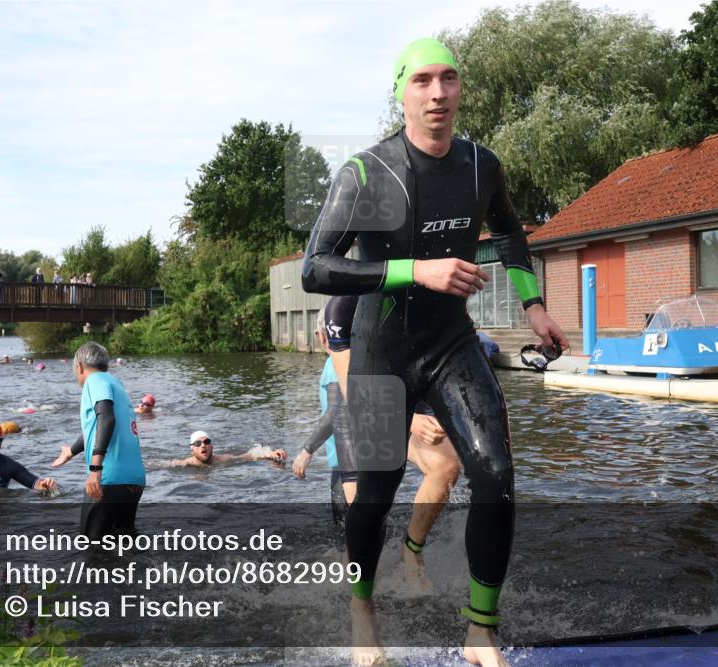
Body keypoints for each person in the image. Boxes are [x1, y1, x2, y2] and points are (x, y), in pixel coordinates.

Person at [301, 38, 569, 666]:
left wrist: (533, 305)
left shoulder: (482, 167)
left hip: (449, 343)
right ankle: (362, 609)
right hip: (378, 349)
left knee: (496, 476)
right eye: (422, 80)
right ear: (401, 92)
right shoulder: (366, 173)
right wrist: (411, 271)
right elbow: (316, 268)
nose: (438, 93)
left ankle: (480, 632)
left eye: (448, 79)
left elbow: (507, 231)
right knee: (376, 488)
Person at [292, 297, 460, 592]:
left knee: (358, 545)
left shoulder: (349, 364)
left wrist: (306, 451)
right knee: (359, 547)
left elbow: (346, 411)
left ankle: (380, 579)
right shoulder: (347, 364)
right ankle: (363, 592)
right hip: (355, 458)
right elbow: (341, 414)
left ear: (321, 337)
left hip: (364, 451)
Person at [50, 342, 145, 539]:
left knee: (93, 548)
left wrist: (95, 469)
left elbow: (106, 418)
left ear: (80, 367)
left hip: (109, 478)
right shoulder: (115, 383)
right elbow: (98, 426)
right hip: (134, 479)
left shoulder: (93, 382)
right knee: (125, 545)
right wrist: (71, 451)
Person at [166, 431, 286, 467]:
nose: (203, 445)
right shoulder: (184, 464)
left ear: (211, 446)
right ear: (192, 449)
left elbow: (249, 455)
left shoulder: (222, 459)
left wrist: (270, 454)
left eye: (207, 442)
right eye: (198, 443)